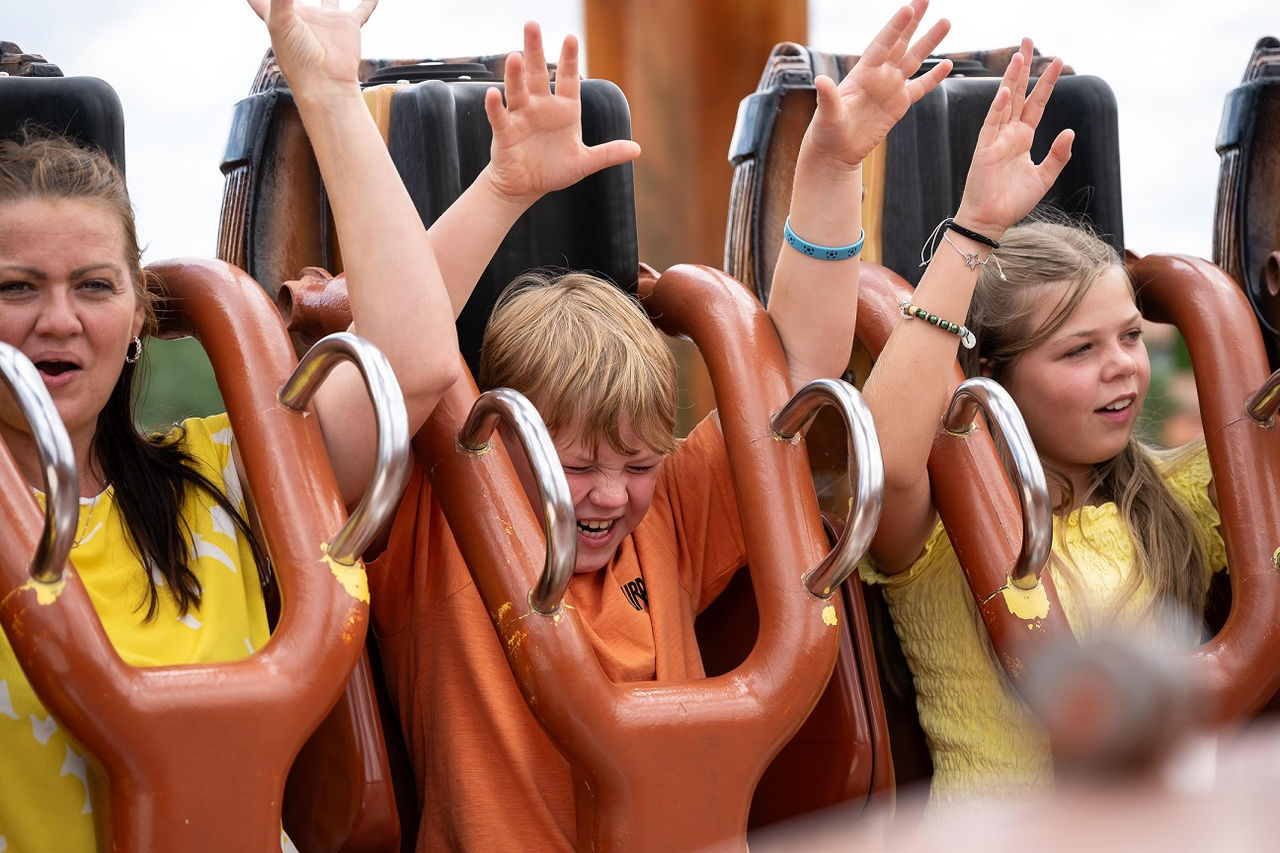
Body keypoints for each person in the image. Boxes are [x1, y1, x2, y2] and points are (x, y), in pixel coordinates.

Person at [366, 2, 953, 849]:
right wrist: (503, 190)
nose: (611, 494)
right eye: (574, 466)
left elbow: (793, 376)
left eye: (637, 461)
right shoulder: (441, 519)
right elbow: (403, 358)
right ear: (501, 438)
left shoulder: (671, 508)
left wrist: (828, 167)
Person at [0, 0, 461, 849]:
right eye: (16, 288)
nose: (57, 319)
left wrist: (327, 93)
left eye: (94, 286)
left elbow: (416, 363)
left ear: (140, 315)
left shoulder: (221, 479)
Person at [857, 40, 1226, 806]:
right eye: (1079, 350)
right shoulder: (946, 530)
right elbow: (886, 463)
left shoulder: (1170, 497)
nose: (1124, 365)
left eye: (1129, 335)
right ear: (995, 379)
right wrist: (974, 229)